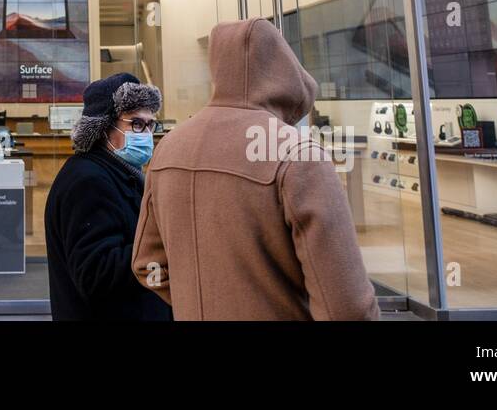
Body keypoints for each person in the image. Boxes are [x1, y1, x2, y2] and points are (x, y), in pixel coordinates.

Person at [131, 19, 379, 320]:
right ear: (285, 70)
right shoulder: (298, 155)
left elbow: (147, 264)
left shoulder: (169, 147)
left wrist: (200, 301)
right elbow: (346, 306)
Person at [44, 73, 172, 321]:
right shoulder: (88, 181)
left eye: (150, 124)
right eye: (136, 124)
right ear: (103, 128)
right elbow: (96, 275)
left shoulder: (121, 173)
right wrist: (166, 245)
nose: (146, 134)